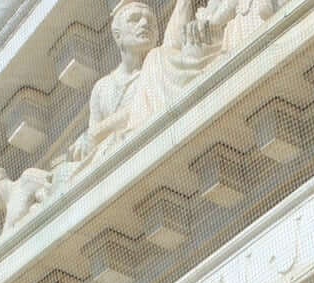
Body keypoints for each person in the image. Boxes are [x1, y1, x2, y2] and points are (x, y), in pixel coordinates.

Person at [73, 0, 218, 165]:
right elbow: (92, 143)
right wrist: (88, 139)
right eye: (135, 19)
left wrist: (96, 132)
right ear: (117, 34)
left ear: (157, 35)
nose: (144, 23)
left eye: (151, 22)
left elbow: (138, 108)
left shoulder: (158, 67)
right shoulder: (101, 87)